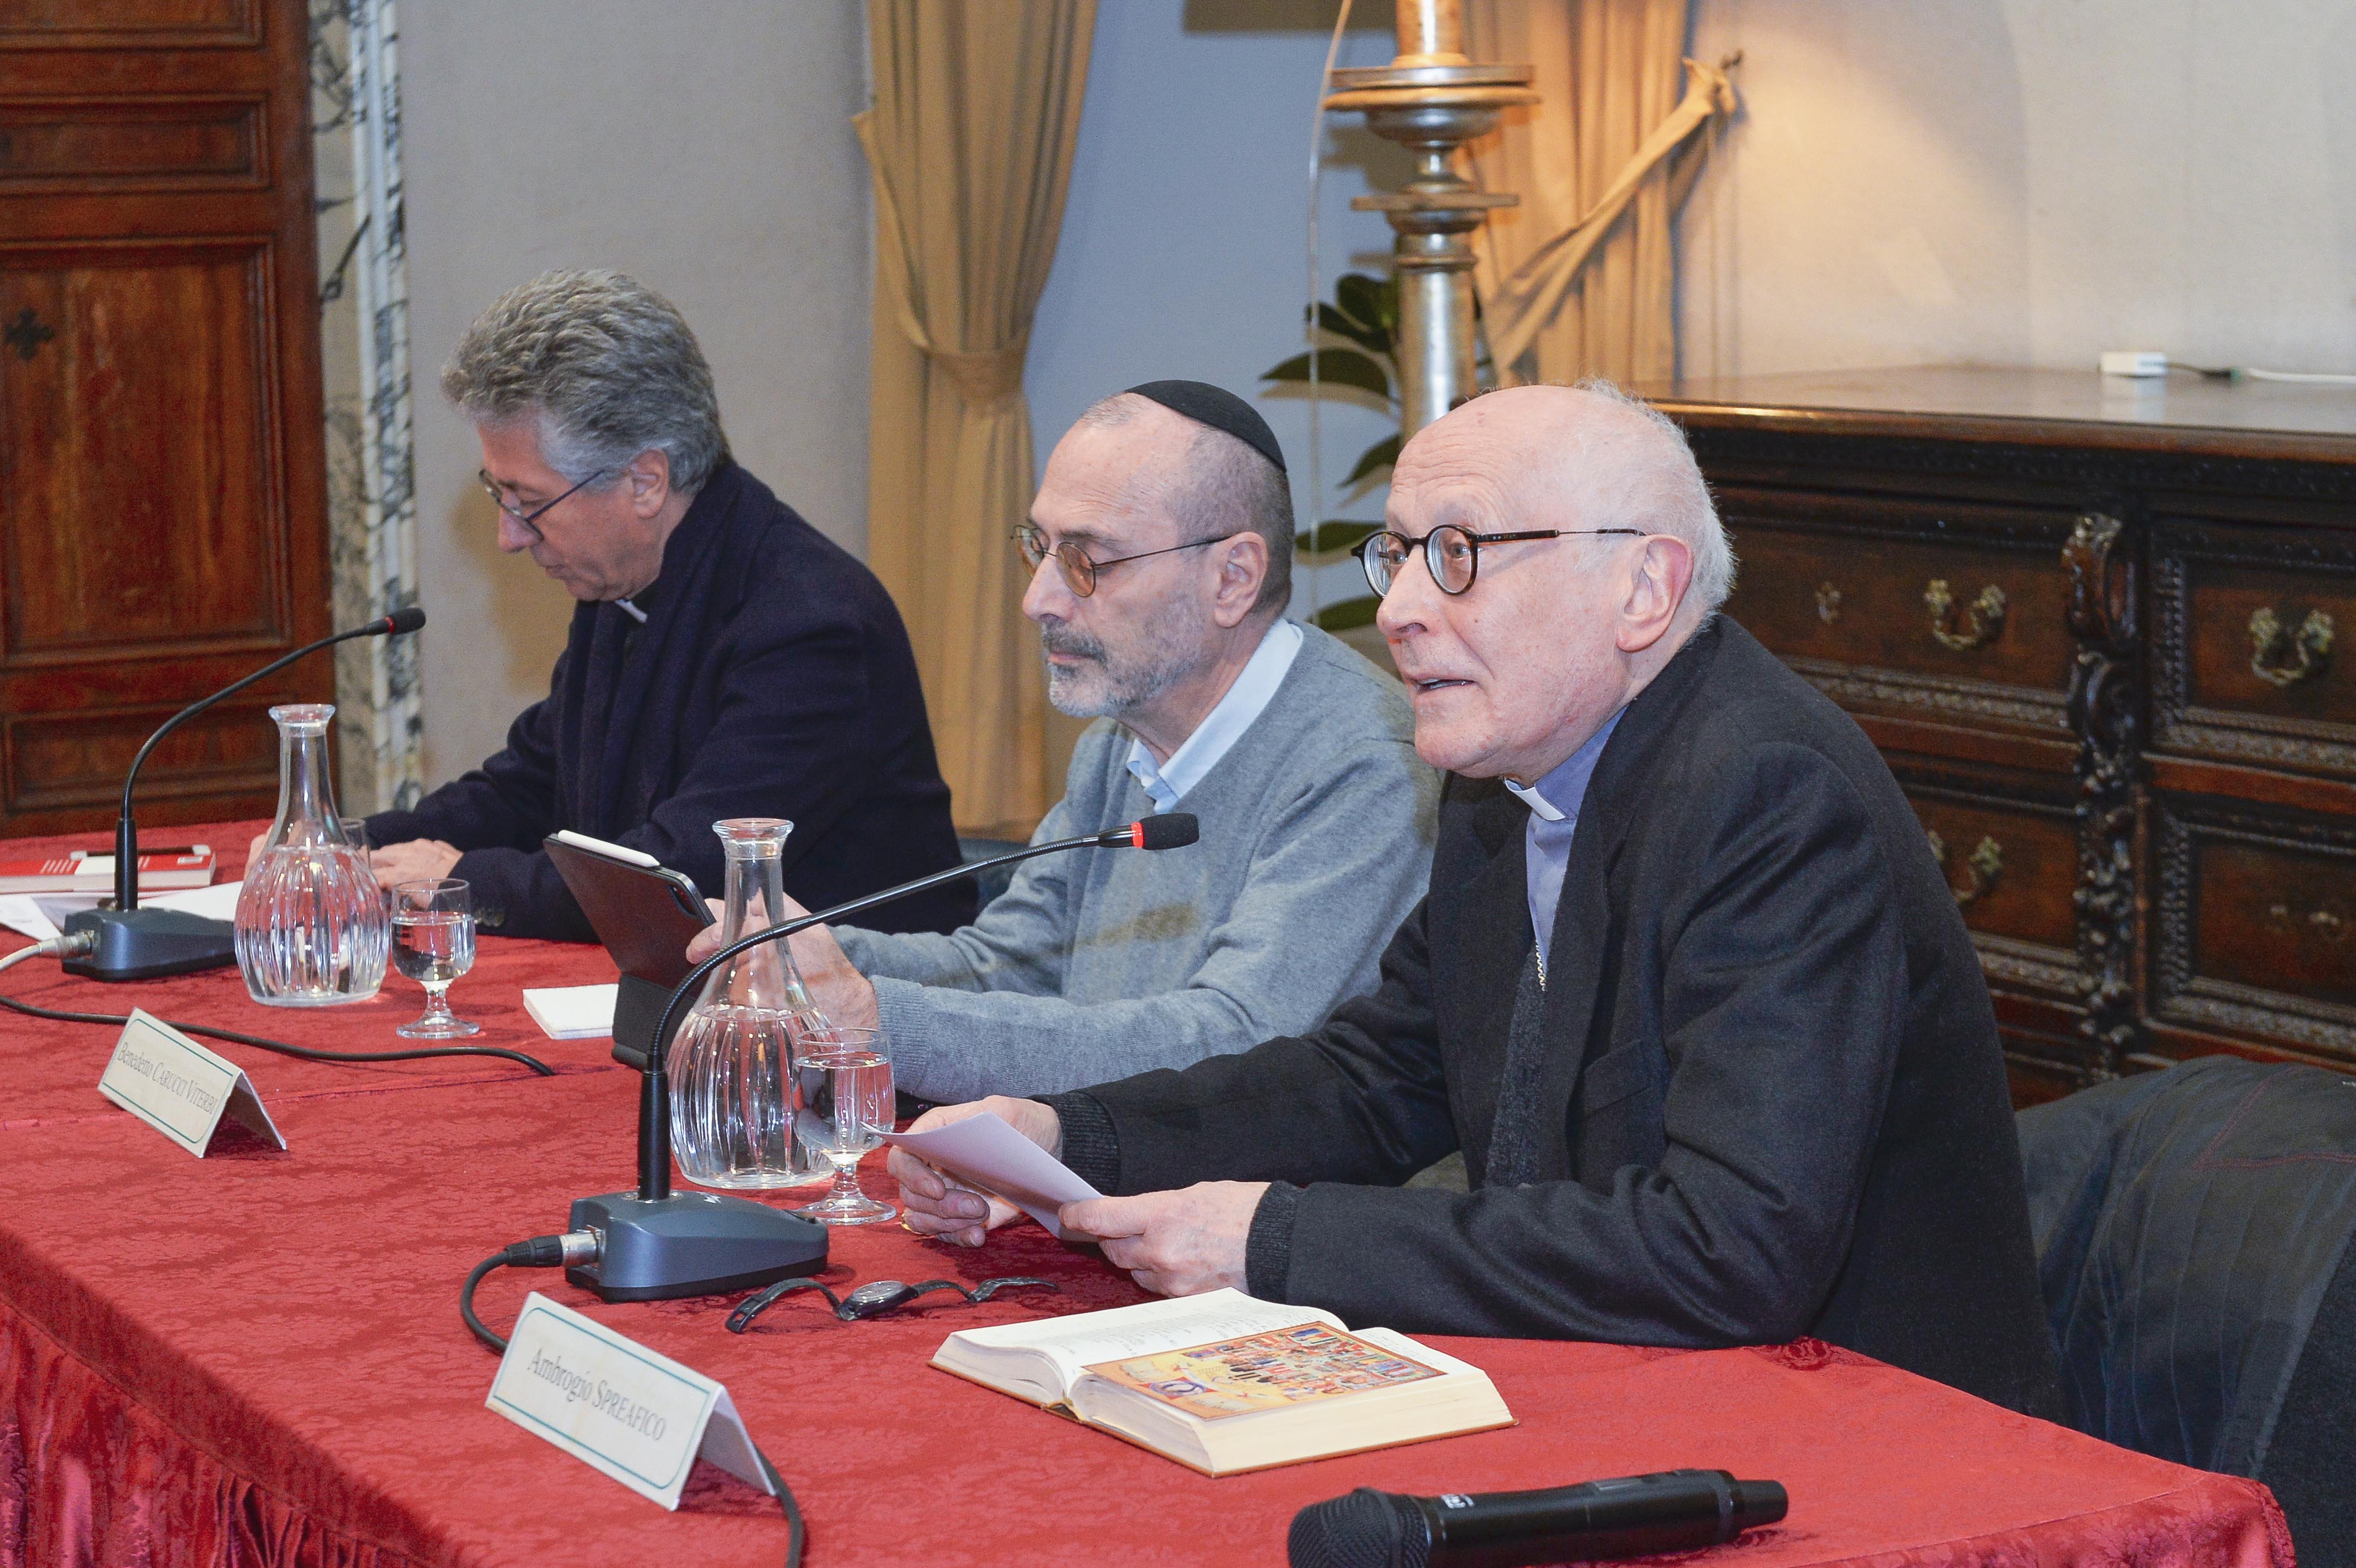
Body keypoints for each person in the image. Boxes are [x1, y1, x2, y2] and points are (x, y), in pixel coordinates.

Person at [891, 381, 2066, 1419]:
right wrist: (1069, 1137)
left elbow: (1729, 1245)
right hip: (1629, 1380)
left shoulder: (1769, 795)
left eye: (1455, 554)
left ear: (1642, 589)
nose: (1398, 608)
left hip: (1872, 1434)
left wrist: (1275, 1239)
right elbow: (1374, 1078)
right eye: (1398, 554)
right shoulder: (1509, 769)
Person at [695, 382, 1437, 1104]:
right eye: (1039, 548)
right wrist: (799, 954)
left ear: (1232, 579)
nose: (1038, 600)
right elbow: (1006, 967)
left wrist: (875, 1019)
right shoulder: (1120, 740)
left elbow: (1234, 1048)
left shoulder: (1366, 765)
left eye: (1087, 562)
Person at [352, 270, 970, 940]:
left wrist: (461, 879)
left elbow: (679, 875)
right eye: (498, 496)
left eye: (529, 503)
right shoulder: (624, 581)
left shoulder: (810, 626)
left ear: (645, 481)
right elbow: (528, 788)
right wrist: (352, 846)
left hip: (837, 998)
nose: (509, 537)